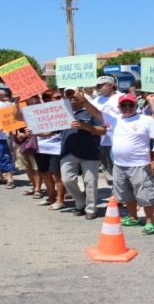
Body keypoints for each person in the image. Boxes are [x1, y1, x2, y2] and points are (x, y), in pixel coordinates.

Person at [80, 93, 154, 235]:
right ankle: (133, 217)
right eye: (124, 105)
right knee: (126, 194)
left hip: (140, 165)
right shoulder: (116, 119)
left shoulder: (147, 120)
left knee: (145, 195)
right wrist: (82, 100)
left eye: (131, 105)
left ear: (136, 106)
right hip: (119, 165)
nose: (127, 108)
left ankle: (150, 221)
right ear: (119, 107)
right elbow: (94, 111)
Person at [13, 90, 66, 210]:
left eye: (60, 97)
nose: (61, 100)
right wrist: (17, 101)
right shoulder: (36, 111)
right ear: (47, 100)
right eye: (57, 98)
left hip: (56, 148)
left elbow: (52, 132)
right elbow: (16, 116)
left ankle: (60, 200)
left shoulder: (62, 111)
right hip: (40, 148)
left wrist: (36, 132)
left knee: (57, 174)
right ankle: (51, 197)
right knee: (45, 173)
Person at [61, 88, 106, 219]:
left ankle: (91, 209)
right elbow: (49, 131)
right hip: (68, 151)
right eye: (68, 94)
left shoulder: (91, 111)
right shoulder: (61, 113)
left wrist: (85, 126)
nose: (71, 96)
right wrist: (35, 130)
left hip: (90, 151)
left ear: (80, 94)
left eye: (74, 93)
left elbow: (103, 130)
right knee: (67, 180)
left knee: (90, 182)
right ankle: (80, 204)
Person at [92, 76, 123, 185]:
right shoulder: (95, 101)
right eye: (97, 86)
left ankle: (121, 191)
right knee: (106, 167)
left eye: (101, 85)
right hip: (101, 140)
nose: (98, 88)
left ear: (111, 85)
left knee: (119, 167)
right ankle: (114, 190)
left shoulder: (122, 97)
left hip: (118, 138)